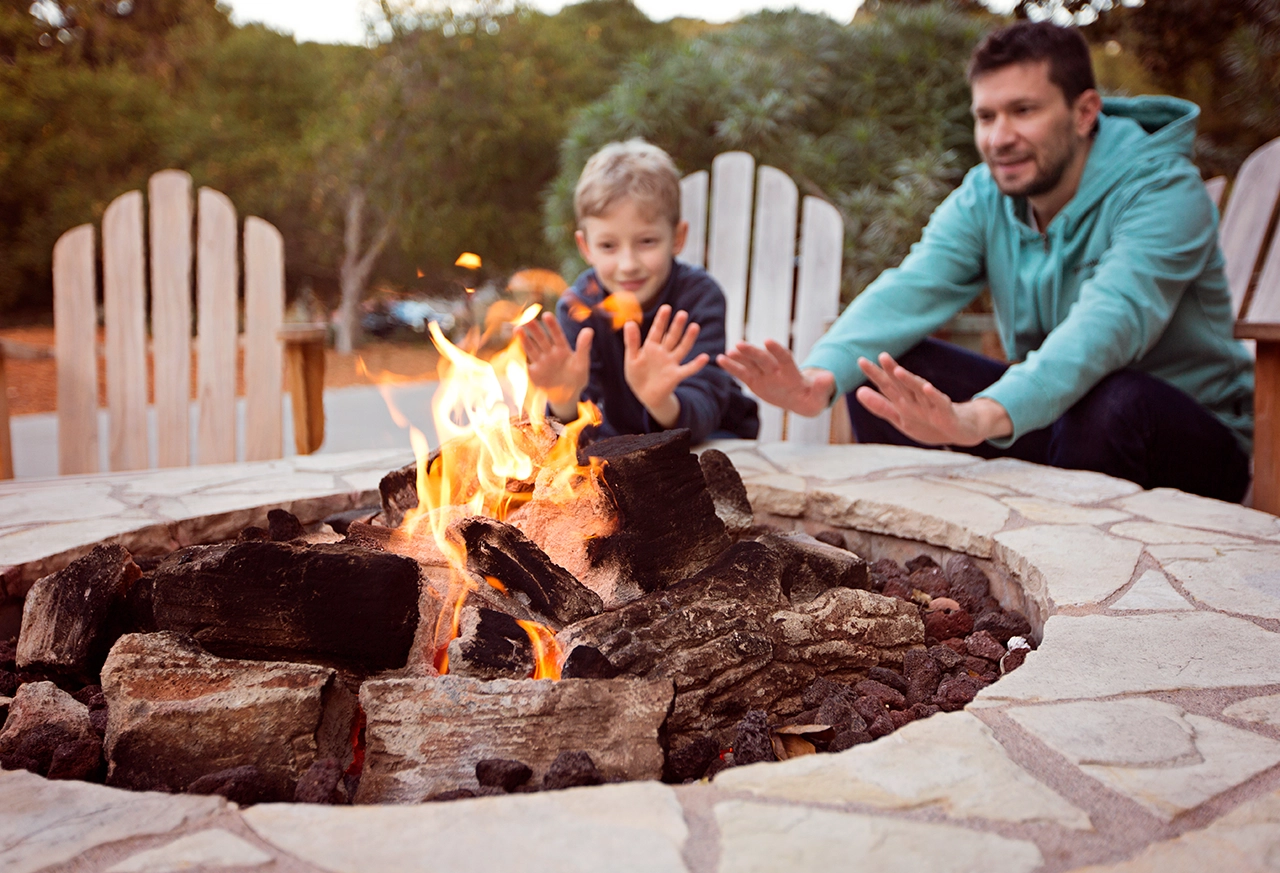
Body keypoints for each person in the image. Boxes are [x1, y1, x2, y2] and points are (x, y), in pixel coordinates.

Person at [719, 21, 1253, 503]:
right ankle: (924, 562)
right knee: (884, 374)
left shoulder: (1164, 189)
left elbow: (1110, 322)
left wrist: (977, 417)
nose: (999, 138)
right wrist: (817, 381)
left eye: (1024, 110)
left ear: (1085, 112)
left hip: (1188, 441)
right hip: (1062, 422)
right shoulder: (987, 196)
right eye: (986, 116)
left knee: (1113, 400)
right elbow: (913, 286)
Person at [517, 139, 759, 444]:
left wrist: (660, 399)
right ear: (585, 247)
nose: (628, 264)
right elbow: (574, 434)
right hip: (624, 452)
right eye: (608, 246)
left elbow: (706, 405)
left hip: (711, 444)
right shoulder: (579, 307)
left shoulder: (699, 297)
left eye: (646, 242)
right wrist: (563, 398)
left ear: (678, 237)